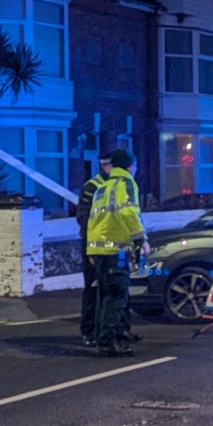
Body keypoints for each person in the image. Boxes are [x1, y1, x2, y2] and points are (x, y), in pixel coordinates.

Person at [86, 150, 150, 356]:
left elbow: (93, 220)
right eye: (136, 166)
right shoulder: (126, 183)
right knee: (117, 296)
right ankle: (108, 342)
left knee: (105, 297)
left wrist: (91, 250)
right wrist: (141, 239)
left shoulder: (102, 188)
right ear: (130, 166)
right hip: (116, 251)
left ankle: (106, 337)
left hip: (99, 250)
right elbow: (128, 213)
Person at [75, 155, 112, 347]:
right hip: (93, 246)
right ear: (104, 166)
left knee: (113, 290)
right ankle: (88, 331)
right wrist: (91, 248)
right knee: (92, 289)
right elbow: (83, 217)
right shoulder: (92, 186)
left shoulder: (118, 184)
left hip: (111, 246)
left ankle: (116, 329)